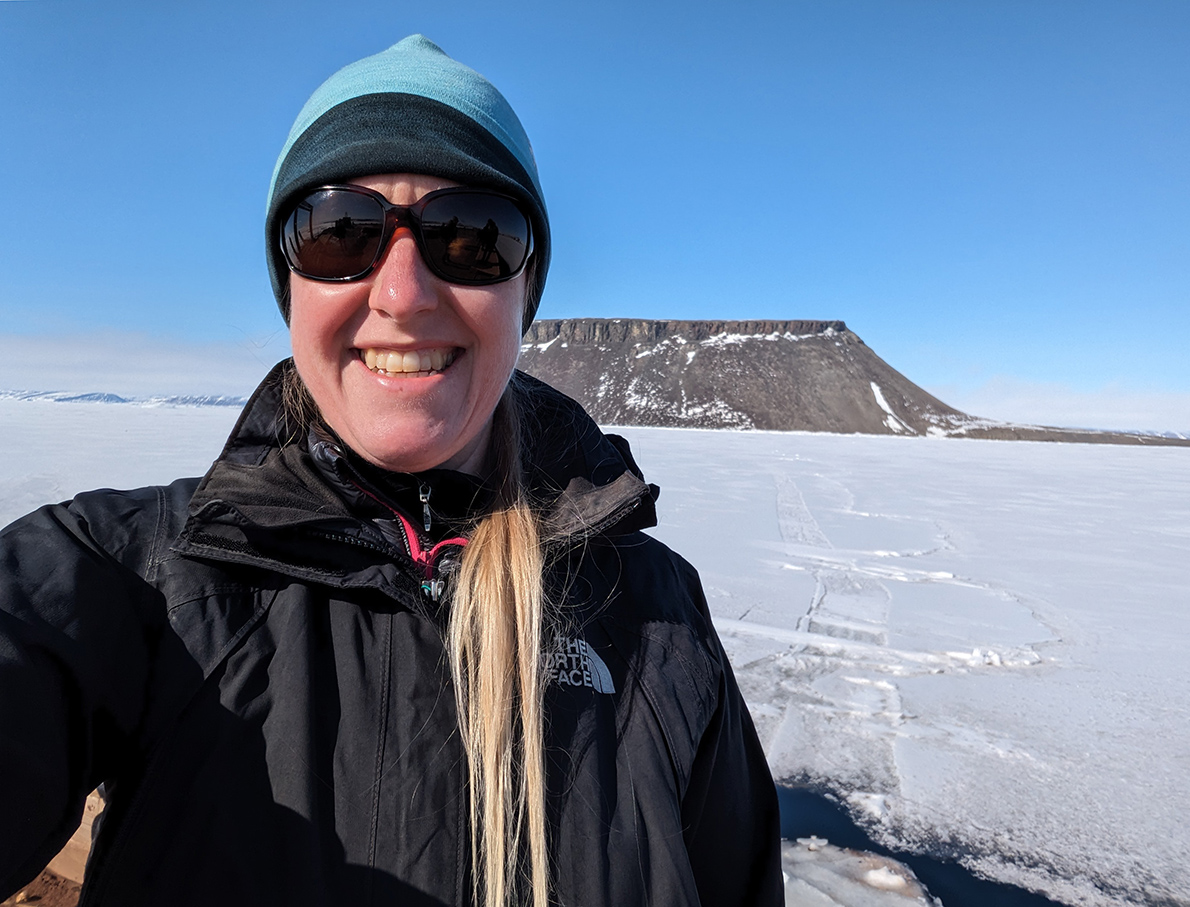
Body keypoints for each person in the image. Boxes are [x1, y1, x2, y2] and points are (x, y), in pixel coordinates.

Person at [0, 36, 782, 907]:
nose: (403, 293)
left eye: (475, 235)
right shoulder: (141, 580)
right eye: (339, 233)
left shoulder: (658, 622)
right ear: (290, 286)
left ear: (526, 292)